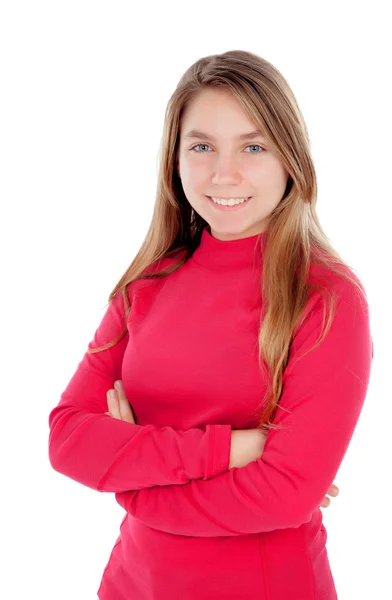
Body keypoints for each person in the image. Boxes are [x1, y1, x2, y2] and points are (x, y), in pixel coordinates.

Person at [47, 49, 373, 599]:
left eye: (253, 146)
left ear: (290, 158)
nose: (224, 173)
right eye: (202, 147)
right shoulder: (147, 281)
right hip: (132, 585)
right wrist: (235, 451)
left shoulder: (325, 296)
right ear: (175, 158)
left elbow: (285, 494)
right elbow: (67, 439)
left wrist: (132, 483)